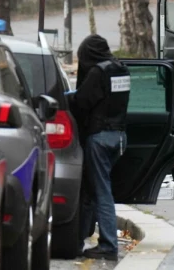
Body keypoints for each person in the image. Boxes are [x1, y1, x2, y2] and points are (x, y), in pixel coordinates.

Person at [73, 35, 131, 261]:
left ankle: (108, 244)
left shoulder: (98, 73)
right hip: (120, 137)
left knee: (101, 192)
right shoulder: (121, 69)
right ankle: (80, 238)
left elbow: (81, 102)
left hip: (99, 138)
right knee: (93, 189)